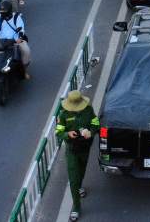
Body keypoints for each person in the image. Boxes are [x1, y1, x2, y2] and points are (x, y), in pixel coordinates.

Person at [56, 90, 98, 222]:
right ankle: (76, 206)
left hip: (85, 147)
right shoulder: (63, 114)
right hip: (72, 150)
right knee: (73, 177)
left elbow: (96, 123)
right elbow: (59, 131)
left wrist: (91, 132)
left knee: (81, 171)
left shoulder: (88, 110)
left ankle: (79, 186)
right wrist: (67, 134)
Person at [0, 0, 31, 82]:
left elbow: (21, 27)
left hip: (14, 41)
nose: (3, 14)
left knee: (26, 50)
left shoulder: (16, 17)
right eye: (2, 12)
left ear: (9, 10)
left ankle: (24, 70)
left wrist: (20, 37)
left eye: (4, 12)